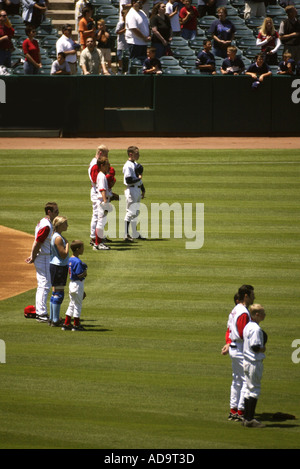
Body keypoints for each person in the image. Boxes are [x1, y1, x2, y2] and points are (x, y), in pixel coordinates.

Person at [221, 284, 255, 421]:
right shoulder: (243, 312)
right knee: (246, 380)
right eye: (252, 294)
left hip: (234, 348)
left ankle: (233, 410)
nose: (254, 297)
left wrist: (228, 342)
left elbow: (229, 330)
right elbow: (242, 333)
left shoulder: (235, 310)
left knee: (236, 380)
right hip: (240, 348)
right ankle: (241, 411)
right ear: (246, 296)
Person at [25, 202, 59, 323]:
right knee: (45, 285)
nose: (58, 213)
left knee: (43, 284)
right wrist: (33, 257)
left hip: (44, 257)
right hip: (43, 257)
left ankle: (40, 311)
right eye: (56, 211)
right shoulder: (46, 225)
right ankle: (41, 313)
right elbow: (37, 242)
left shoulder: (45, 222)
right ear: (49, 212)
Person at [242, 303, 267, 428]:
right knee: (254, 390)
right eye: (263, 313)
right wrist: (263, 349)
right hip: (254, 362)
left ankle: (246, 418)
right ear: (257, 314)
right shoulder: (256, 329)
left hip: (246, 362)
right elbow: (255, 347)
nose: (264, 315)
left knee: (248, 390)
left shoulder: (248, 326)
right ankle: (250, 419)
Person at [62, 240, 87, 332]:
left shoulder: (70, 259)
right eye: (82, 248)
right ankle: (76, 325)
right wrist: (85, 272)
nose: (83, 249)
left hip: (72, 284)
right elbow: (80, 275)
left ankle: (66, 323)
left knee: (72, 304)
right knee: (78, 305)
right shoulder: (78, 261)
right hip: (77, 283)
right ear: (77, 249)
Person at [88, 144, 110, 248]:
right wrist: (105, 198)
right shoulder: (95, 165)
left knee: (98, 217)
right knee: (97, 216)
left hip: (99, 192)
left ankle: (97, 238)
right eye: (106, 154)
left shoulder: (96, 165)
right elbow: (95, 180)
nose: (107, 157)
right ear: (100, 153)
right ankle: (94, 238)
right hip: (98, 193)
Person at [123, 145, 146, 241]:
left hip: (136, 189)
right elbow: (128, 180)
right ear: (130, 154)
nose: (138, 155)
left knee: (135, 213)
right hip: (131, 190)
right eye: (137, 153)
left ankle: (135, 233)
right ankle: (126, 235)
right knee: (130, 212)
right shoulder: (128, 165)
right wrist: (139, 178)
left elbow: (138, 179)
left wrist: (143, 189)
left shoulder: (135, 164)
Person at [49, 216, 69, 327]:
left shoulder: (55, 236)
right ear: (60, 225)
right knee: (59, 294)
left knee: (55, 293)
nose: (67, 226)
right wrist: (67, 245)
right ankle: (55, 320)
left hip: (55, 266)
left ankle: (52, 318)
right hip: (59, 267)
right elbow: (63, 254)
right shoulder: (58, 238)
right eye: (65, 224)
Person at [93, 157, 114, 251]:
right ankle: (98, 244)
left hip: (101, 201)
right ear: (102, 165)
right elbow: (102, 190)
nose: (108, 166)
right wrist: (105, 202)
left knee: (101, 222)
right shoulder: (101, 176)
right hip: (102, 201)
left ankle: (98, 243)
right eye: (107, 164)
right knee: (100, 223)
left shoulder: (101, 175)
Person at [125, 0, 151, 65]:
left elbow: (147, 25)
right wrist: (144, 37)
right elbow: (133, 28)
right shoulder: (131, 14)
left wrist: (149, 35)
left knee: (143, 64)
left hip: (143, 43)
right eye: (139, 2)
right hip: (135, 43)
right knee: (134, 63)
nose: (141, 4)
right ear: (134, 3)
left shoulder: (142, 12)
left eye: (142, 2)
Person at [116, 7, 129, 75]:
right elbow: (117, 32)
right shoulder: (120, 23)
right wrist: (125, 29)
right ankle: (120, 69)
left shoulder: (129, 22)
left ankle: (127, 70)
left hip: (128, 43)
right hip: (121, 43)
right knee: (120, 56)